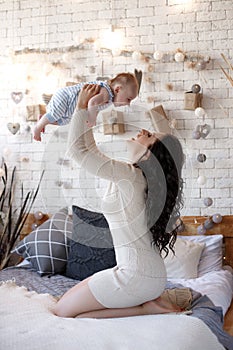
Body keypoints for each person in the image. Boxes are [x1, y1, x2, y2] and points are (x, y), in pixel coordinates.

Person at [54, 84, 185, 319]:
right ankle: (146, 304)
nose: (144, 131)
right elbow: (89, 149)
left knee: (62, 311)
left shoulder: (130, 177)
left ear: (151, 155)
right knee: (70, 307)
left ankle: (144, 308)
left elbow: (77, 152)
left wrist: (81, 107)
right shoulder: (137, 179)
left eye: (151, 136)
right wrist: (90, 115)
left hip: (135, 276)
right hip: (148, 277)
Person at [33, 72, 139, 141]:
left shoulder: (108, 99)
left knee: (64, 121)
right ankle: (37, 128)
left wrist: (92, 115)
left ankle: (43, 119)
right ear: (117, 89)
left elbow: (95, 107)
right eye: (128, 99)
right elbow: (92, 103)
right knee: (56, 114)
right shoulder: (106, 92)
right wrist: (92, 120)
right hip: (67, 98)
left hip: (71, 108)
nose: (128, 104)